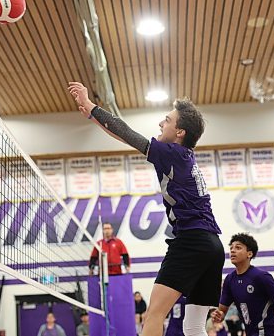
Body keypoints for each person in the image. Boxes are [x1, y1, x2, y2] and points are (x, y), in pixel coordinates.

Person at [68, 82, 224, 336]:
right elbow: (122, 134)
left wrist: (90, 105)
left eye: (167, 120)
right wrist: (93, 117)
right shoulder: (185, 156)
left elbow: (128, 134)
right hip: (212, 245)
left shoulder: (172, 153)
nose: (161, 125)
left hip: (191, 241)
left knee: (153, 315)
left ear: (180, 132)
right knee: (194, 326)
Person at [211, 233, 274, 336]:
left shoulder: (261, 276)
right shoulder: (230, 280)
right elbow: (222, 312)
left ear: (249, 254)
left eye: (238, 247)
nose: (233, 250)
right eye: (231, 248)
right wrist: (218, 316)